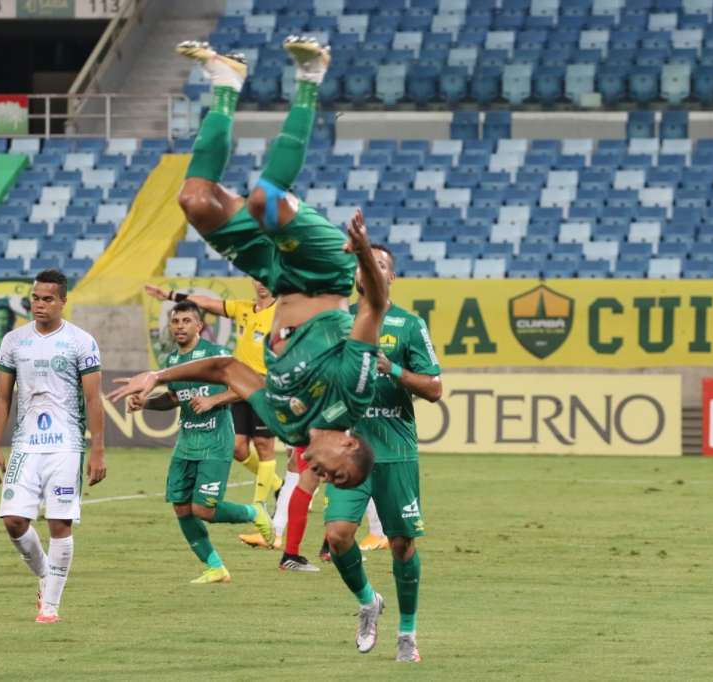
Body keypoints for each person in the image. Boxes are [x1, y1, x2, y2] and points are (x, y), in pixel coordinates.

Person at [108, 37, 388, 489]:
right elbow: (374, 308)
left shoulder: (286, 425)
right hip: (323, 276)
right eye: (333, 472)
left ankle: (224, 80)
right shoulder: (352, 397)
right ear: (350, 445)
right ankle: (311, 75)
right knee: (264, 200)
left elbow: (223, 369)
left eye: (325, 479)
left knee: (195, 200)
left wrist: (157, 374)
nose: (320, 474)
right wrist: (365, 258)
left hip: (277, 279)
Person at [325, 244, 442, 662]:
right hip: (348, 452)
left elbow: (434, 388)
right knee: (337, 537)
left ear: (391, 277)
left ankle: (407, 634)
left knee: (401, 545)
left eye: (380, 265)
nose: (370, 270)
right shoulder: (338, 324)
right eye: (364, 264)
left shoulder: (409, 325)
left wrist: (391, 368)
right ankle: (367, 601)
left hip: (394, 452)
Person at [0, 269, 106, 624]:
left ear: (63, 301)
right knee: (12, 521)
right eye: (35, 298)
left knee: (59, 525)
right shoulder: (13, 341)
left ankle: (50, 606)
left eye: (48, 299)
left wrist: (97, 449)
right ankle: (44, 574)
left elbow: (94, 400)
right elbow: (2, 397)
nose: (39, 304)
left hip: (66, 445)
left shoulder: (81, 342)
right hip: (25, 445)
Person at [128, 300, 274, 583]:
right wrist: (144, 403)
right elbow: (173, 398)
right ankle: (215, 566)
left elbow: (252, 384)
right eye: (175, 321)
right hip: (187, 442)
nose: (180, 326)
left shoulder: (216, 355)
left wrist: (214, 399)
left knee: (204, 509)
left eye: (186, 321)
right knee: (181, 507)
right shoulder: (171, 361)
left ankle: (253, 511)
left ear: (199, 326)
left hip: (216, 441)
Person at [143, 279, 282, 509]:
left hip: (264, 384)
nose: (262, 284)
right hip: (238, 382)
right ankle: (278, 484)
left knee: (263, 445)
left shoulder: (281, 312)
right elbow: (206, 302)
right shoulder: (244, 308)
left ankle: (260, 506)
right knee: (238, 448)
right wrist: (170, 295)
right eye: (257, 278)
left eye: (267, 279)